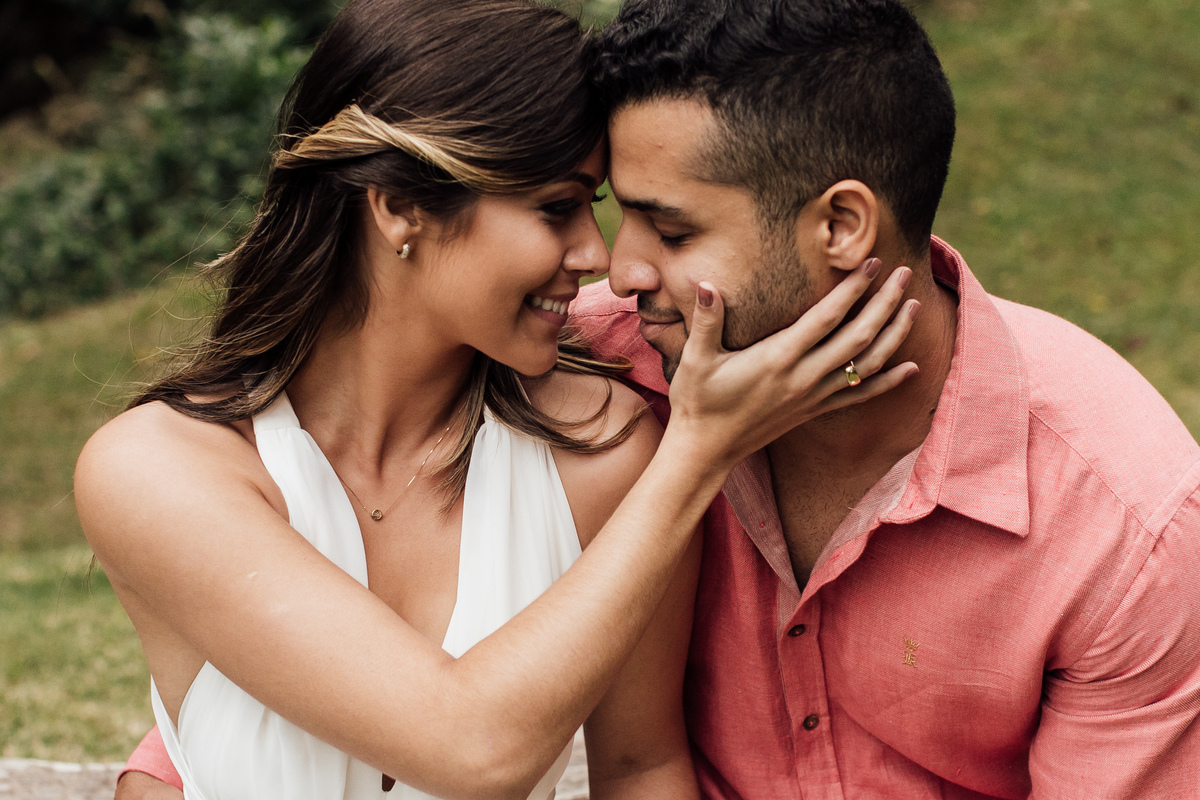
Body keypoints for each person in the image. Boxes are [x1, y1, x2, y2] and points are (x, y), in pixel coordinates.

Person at [125, 0, 1200, 797]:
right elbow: (312, 558)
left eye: (669, 229)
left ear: (841, 227)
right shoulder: (592, 367)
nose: (613, 270)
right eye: (595, 212)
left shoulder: (1124, 522)